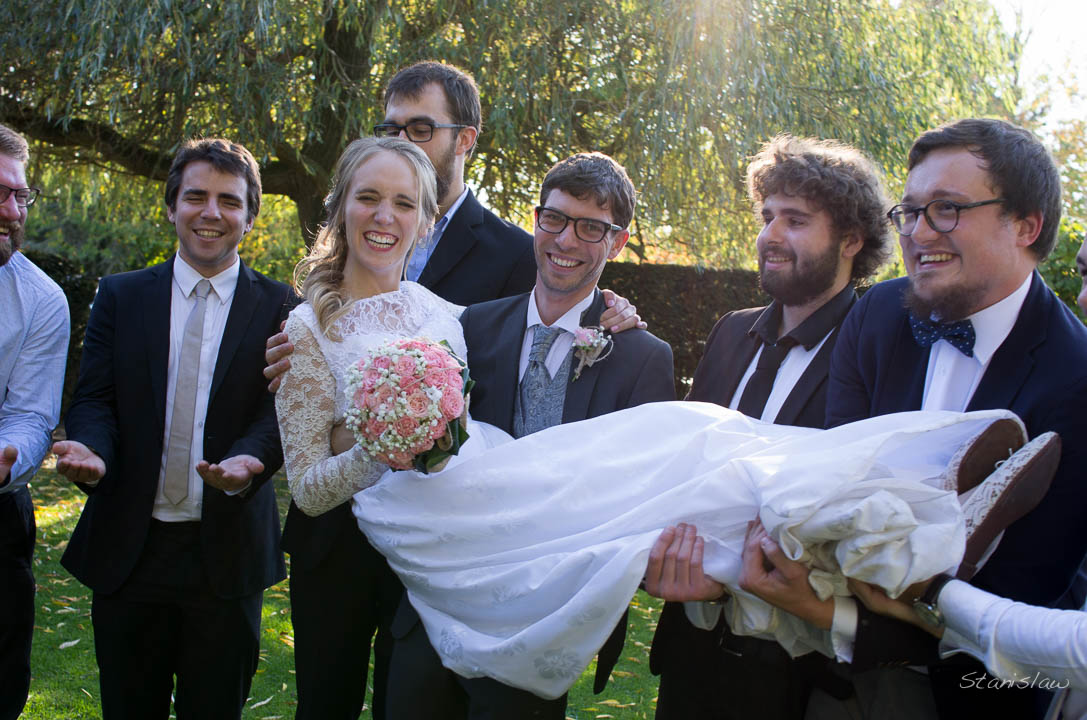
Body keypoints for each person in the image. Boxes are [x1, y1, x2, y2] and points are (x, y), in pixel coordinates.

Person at [273, 61, 640, 720]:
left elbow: (543, 313)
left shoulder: (453, 309)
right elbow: (309, 469)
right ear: (341, 206)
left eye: (403, 203)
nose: (384, 216)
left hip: (440, 554)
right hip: (337, 549)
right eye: (368, 197)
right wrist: (378, 436)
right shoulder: (306, 326)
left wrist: (610, 312)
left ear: (424, 217)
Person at [746, 118, 1087, 719]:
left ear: (1026, 226)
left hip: (974, 691)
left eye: (947, 209)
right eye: (909, 211)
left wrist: (850, 615)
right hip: (835, 680)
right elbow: (836, 483)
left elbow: (1033, 589)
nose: (918, 232)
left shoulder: (1077, 375)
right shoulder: (876, 314)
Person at [647, 134, 893, 720]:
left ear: (852, 240)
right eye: (766, 217)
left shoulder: (877, 350)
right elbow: (689, 469)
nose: (770, 235)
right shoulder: (731, 330)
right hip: (690, 647)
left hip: (797, 672)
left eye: (795, 220)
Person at [51, 138, 291, 719]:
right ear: (171, 206)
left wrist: (251, 460)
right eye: (196, 196)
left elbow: (278, 413)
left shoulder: (284, 307)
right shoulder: (121, 296)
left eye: (229, 201)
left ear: (250, 217)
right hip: (130, 548)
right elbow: (95, 398)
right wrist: (93, 451)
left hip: (227, 553)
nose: (211, 212)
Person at [0, 123, 69, 720]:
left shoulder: (42, 301)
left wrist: (8, 459)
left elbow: (29, 415)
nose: (12, 211)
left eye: (20, 195)